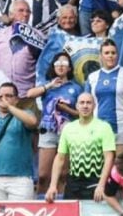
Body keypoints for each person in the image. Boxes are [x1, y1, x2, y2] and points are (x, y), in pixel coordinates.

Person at [26, 51, 82, 194]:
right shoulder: (47, 85)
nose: (61, 66)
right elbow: (29, 94)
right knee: (43, 175)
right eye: (58, 63)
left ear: (69, 68)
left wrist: (66, 109)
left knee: (63, 174)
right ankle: (42, 202)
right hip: (48, 130)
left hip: (68, 131)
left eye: (65, 64)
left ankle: (61, 203)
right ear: (53, 67)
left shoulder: (76, 88)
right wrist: (49, 85)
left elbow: (81, 114)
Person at [45, 92, 116, 202]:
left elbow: (109, 158)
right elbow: (60, 158)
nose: (85, 106)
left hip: (95, 182)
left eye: (89, 103)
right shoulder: (68, 128)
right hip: (73, 184)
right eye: (82, 103)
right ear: (77, 106)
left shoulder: (104, 127)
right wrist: (53, 186)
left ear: (94, 106)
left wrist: (102, 185)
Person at [85, 39, 123, 151]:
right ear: (101, 56)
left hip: (122, 128)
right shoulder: (92, 77)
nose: (110, 56)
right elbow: (86, 103)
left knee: (120, 165)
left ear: (117, 55)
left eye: (113, 53)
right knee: (99, 165)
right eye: (106, 53)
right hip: (97, 128)